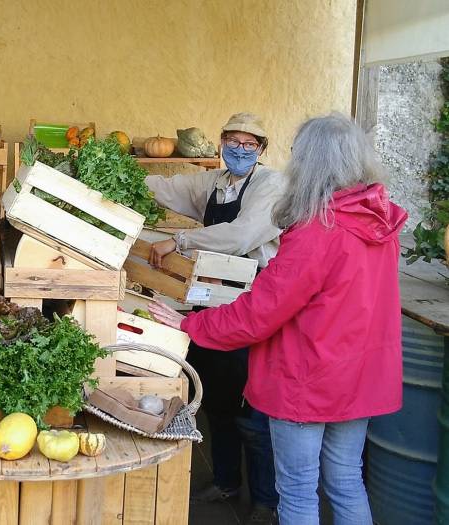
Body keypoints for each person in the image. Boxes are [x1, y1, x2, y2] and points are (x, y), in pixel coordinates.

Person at [148, 112, 407, 525]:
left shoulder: (319, 229)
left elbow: (259, 314)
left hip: (310, 378)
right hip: (359, 376)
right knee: (346, 482)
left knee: (298, 491)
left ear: (310, 163)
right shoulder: (381, 223)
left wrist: (188, 324)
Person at [145, 113, 285, 524]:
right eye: (233, 141)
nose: (240, 149)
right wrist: (104, 177)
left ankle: (266, 501)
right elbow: (167, 187)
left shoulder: (271, 185)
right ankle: (226, 481)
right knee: (217, 399)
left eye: (250, 143)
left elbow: (241, 236)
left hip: (252, 303)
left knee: (251, 410)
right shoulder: (216, 182)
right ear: (221, 142)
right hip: (211, 295)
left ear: (261, 149)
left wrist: (179, 240)